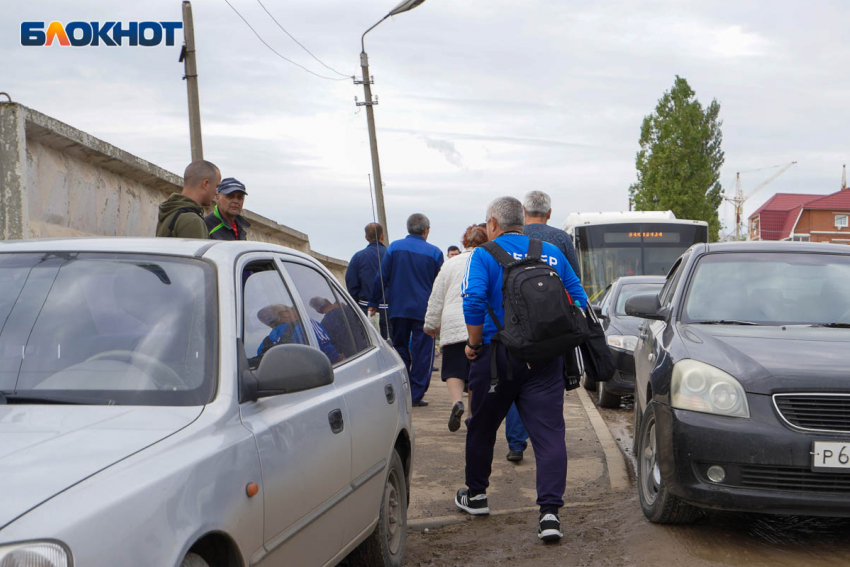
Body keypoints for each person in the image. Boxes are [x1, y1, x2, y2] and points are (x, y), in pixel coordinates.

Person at [456, 196, 586, 543]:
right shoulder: (551, 253)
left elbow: (473, 298)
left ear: (494, 225)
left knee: (482, 426)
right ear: (523, 223)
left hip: (496, 356)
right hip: (545, 358)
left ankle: (477, 495)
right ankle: (549, 515)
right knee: (549, 435)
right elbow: (579, 299)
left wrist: (472, 344)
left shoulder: (483, 255)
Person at [503, 190, 584, 463]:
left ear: (523, 213)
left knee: (516, 387)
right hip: (554, 329)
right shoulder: (560, 240)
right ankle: (548, 443)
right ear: (549, 213)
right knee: (549, 389)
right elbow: (574, 283)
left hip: (516, 328)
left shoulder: (514, 240)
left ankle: (516, 444)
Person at [368, 214, 443, 407]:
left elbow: (381, 277)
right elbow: (439, 284)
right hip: (424, 311)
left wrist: (374, 302)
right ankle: (415, 394)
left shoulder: (394, 248)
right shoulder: (434, 252)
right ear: (426, 230)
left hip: (398, 308)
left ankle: (402, 388)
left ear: (408, 228)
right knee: (423, 352)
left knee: (400, 347)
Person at [424, 224, 488, 431]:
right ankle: (471, 416)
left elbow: (437, 296)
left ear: (464, 241)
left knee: (453, 368)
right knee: (475, 374)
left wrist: (431, 324)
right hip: (477, 323)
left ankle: (456, 403)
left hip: (452, 323)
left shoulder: (450, 264)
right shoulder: (488, 260)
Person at [256, 304, 341, 363]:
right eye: (290, 309)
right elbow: (327, 350)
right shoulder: (306, 325)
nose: (296, 311)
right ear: (284, 315)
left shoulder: (264, 344)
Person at [346, 223, 389, 340]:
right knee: (391, 346)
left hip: (366, 309)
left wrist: (356, 304)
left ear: (366, 238)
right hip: (389, 309)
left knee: (370, 343)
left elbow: (351, 284)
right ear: (382, 236)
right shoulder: (390, 255)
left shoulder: (358, 257)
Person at [157, 160, 221, 238]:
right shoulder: (192, 220)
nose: (216, 192)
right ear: (206, 184)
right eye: (216, 187)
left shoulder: (169, 212)